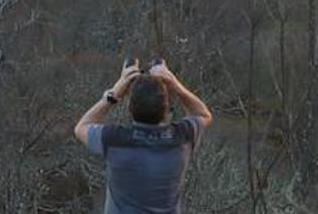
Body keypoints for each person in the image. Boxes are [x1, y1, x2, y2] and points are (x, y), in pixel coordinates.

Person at [73, 58, 213, 213]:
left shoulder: (114, 140)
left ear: (130, 108)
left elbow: (81, 127)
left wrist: (113, 95)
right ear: (166, 109)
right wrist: (174, 84)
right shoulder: (182, 139)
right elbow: (203, 114)